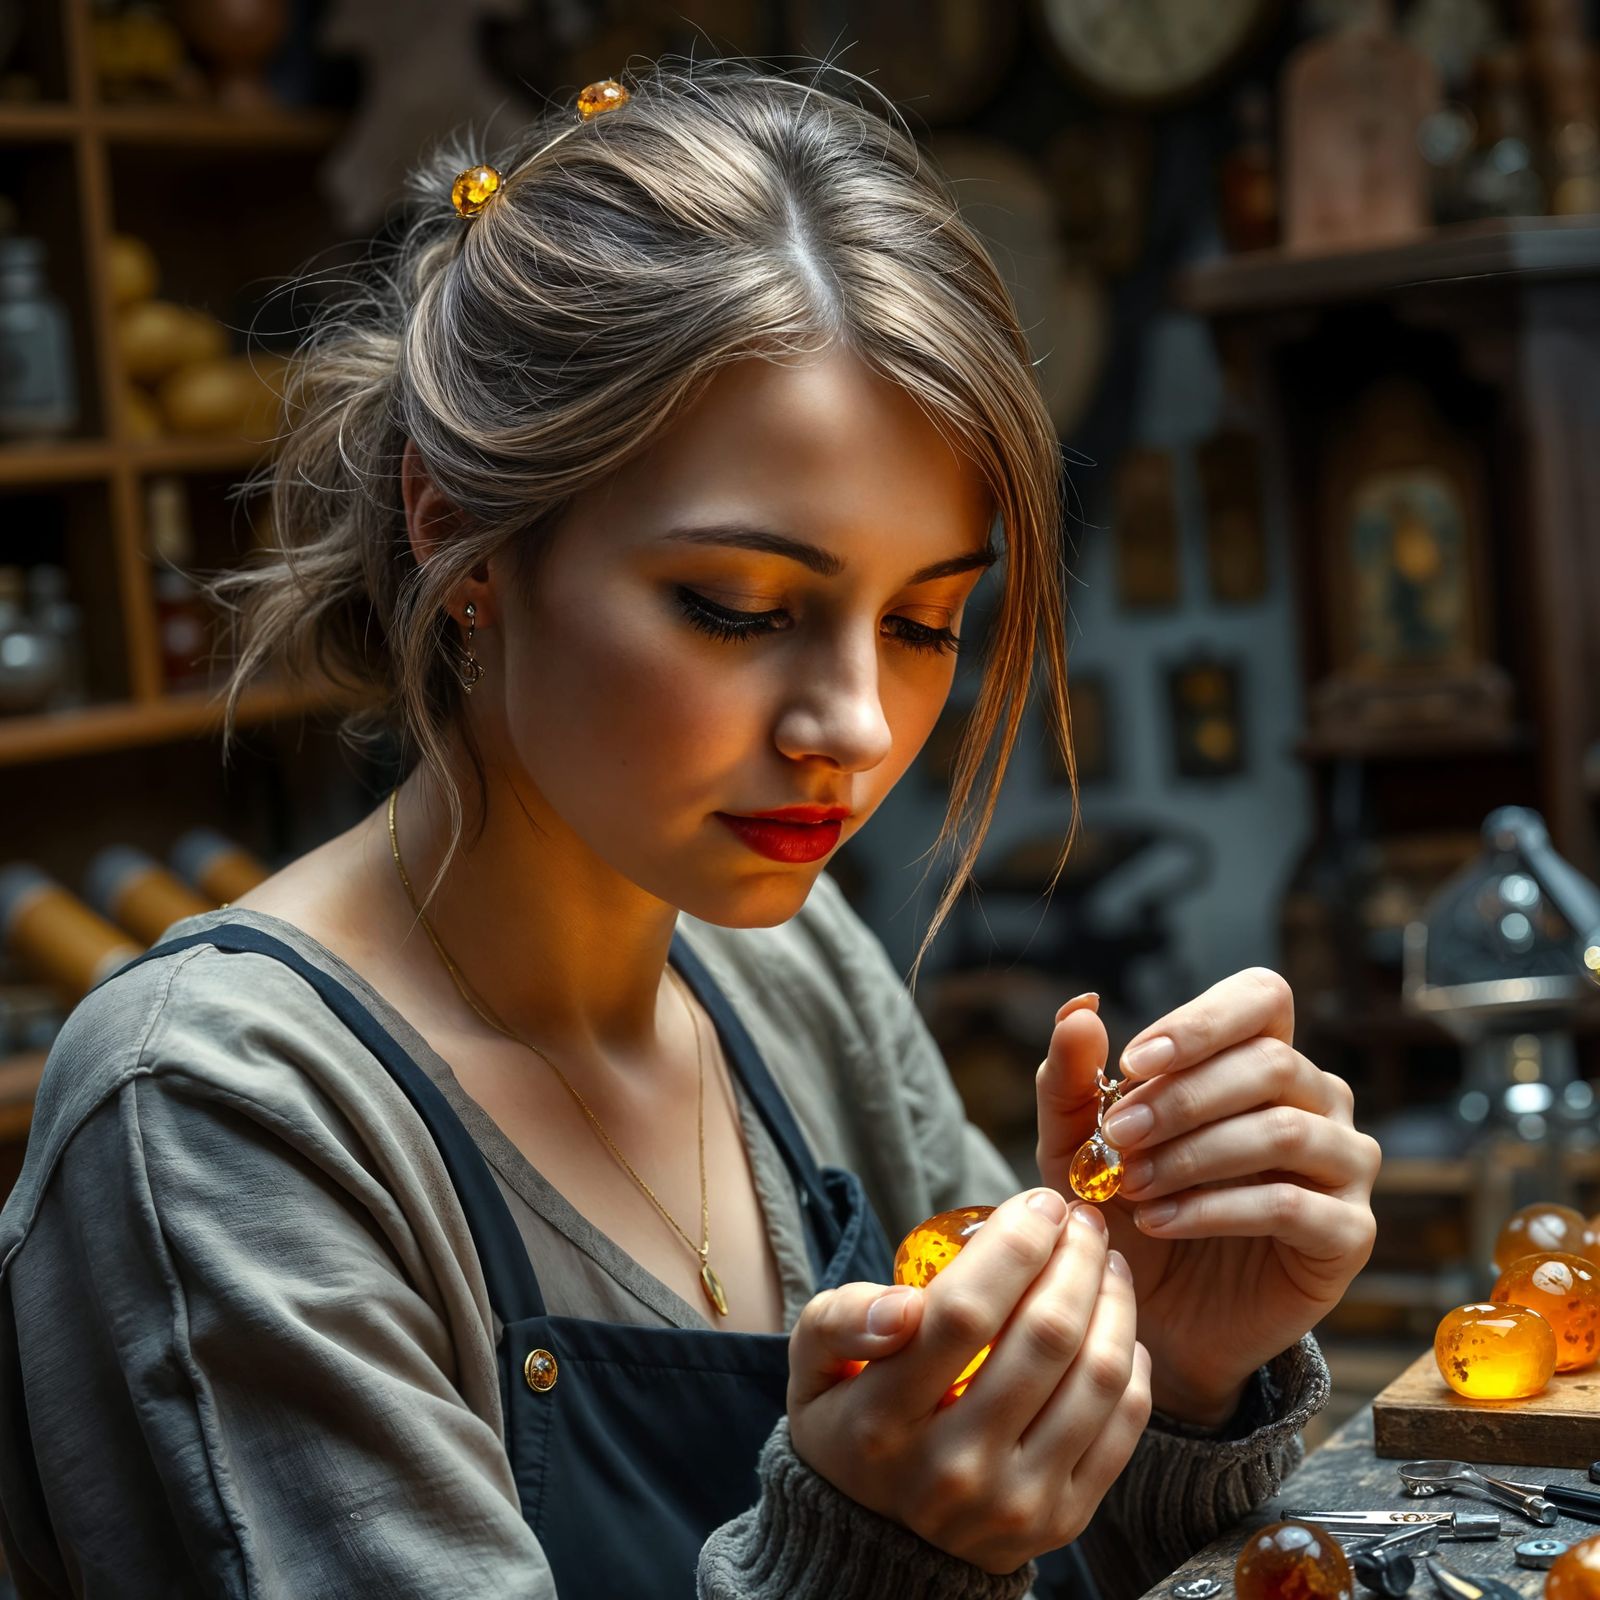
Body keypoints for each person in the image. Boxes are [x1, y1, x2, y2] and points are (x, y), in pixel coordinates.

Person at [0, 58, 1378, 1600]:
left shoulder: (790, 985)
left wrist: (1178, 1375)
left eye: (927, 623)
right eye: (739, 607)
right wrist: (875, 1549)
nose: (853, 728)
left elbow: (1049, 1557)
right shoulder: (213, 1116)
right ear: (456, 525)